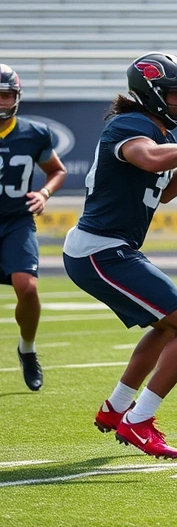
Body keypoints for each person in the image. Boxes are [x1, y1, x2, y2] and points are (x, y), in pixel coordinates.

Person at [63, 52, 177, 458]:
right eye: (176, 94)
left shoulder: (155, 130)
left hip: (110, 249)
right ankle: (139, 420)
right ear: (152, 93)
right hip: (101, 250)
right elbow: (149, 158)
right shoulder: (131, 124)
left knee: (169, 327)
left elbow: (165, 192)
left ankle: (116, 408)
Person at [0, 63, 68, 391]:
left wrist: (44, 193)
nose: (1, 101)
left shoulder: (34, 132)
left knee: (27, 288)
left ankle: (27, 349)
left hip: (17, 220)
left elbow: (57, 170)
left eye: (6, 95)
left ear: (17, 97)